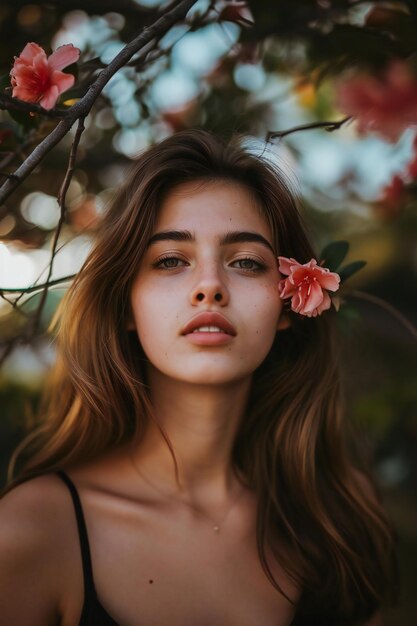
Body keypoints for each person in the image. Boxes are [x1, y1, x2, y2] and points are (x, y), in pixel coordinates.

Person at [0, 129, 398, 626]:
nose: (209, 286)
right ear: (126, 303)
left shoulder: (335, 516)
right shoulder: (33, 532)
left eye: (247, 262)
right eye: (170, 260)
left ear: (290, 303)